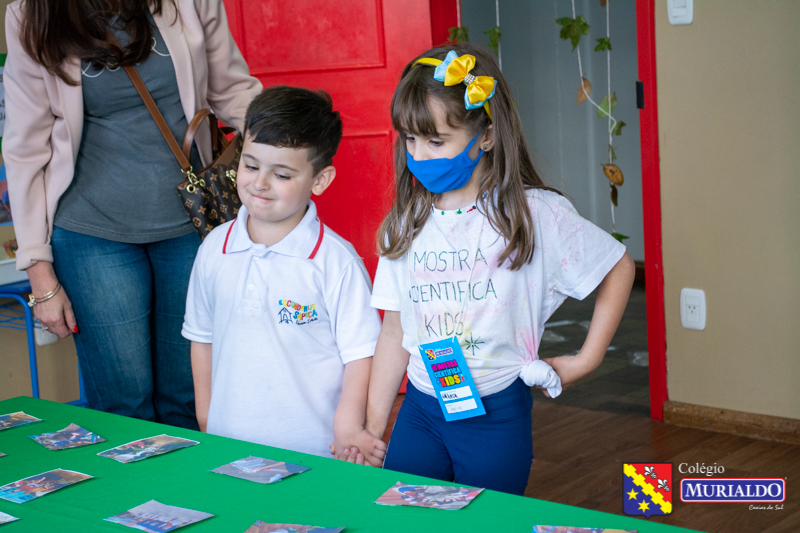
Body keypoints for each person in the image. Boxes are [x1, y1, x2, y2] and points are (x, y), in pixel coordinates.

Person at [342, 44, 635, 494]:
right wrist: (373, 425)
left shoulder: (536, 214)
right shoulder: (406, 222)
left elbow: (617, 267)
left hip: (496, 415)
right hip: (421, 410)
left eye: (436, 141)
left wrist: (587, 359)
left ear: (486, 136)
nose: (418, 156)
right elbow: (395, 331)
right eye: (410, 139)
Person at [3, 0, 262, 429]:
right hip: (90, 234)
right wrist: (39, 273)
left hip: (189, 227)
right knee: (124, 406)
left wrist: (290, 144)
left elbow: (233, 91)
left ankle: (182, 498)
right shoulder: (32, 15)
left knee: (188, 396)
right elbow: (25, 148)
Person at [182, 86, 384, 458]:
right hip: (228, 450)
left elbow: (361, 354)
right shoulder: (214, 248)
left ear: (320, 180)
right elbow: (202, 338)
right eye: (251, 165)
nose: (259, 183)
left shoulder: (335, 261)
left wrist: (349, 425)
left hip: (315, 455)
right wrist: (206, 415)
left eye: (282, 175)